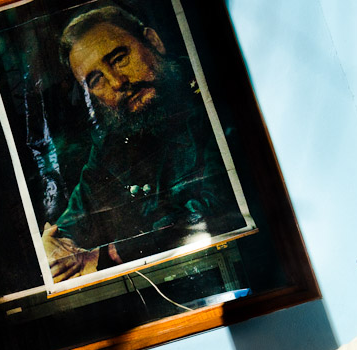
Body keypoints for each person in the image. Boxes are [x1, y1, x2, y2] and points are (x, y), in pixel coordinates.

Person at [43, 5, 247, 282]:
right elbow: (73, 222)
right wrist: (52, 248)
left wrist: (108, 255)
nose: (117, 82)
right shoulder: (112, 141)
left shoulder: (217, 95)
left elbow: (218, 208)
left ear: (153, 41)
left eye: (119, 58)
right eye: (96, 79)